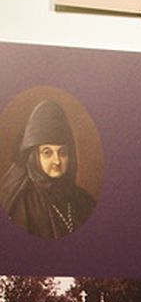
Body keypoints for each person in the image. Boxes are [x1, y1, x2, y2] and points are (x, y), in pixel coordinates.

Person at [0, 99, 96, 238]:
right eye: (47, 153)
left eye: (62, 153)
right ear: (34, 157)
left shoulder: (85, 201)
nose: (57, 161)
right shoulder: (20, 204)